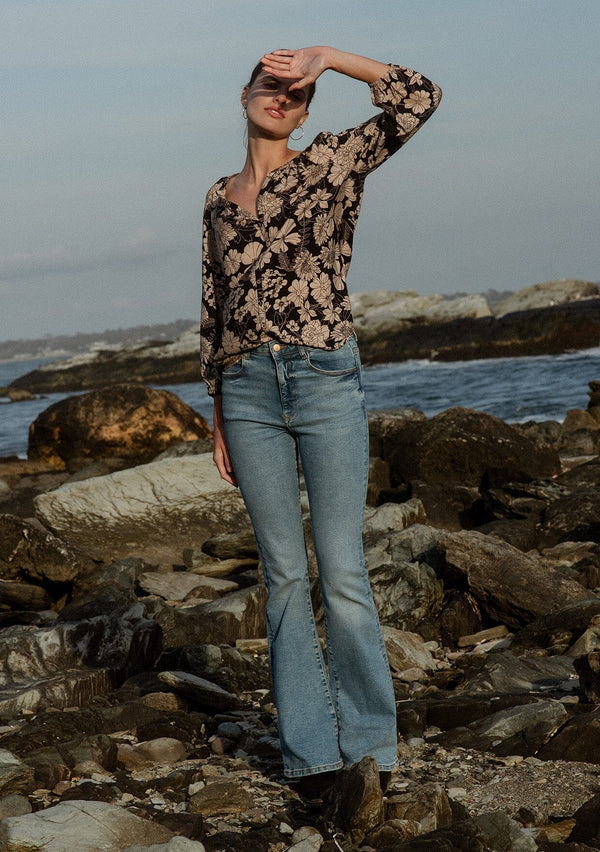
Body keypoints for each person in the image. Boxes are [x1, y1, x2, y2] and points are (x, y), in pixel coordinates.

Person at [200, 46, 441, 796]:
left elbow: (419, 97)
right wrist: (217, 414)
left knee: (341, 572)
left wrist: (331, 60)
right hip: (245, 395)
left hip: (324, 377)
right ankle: (310, 756)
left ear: (306, 108)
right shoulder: (215, 198)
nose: (280, 98)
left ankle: (372, 747)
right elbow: (214, 308)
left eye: (293, 92)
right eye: (269, 86)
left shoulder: (333, 162)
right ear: (243, 94)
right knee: (282, 577)